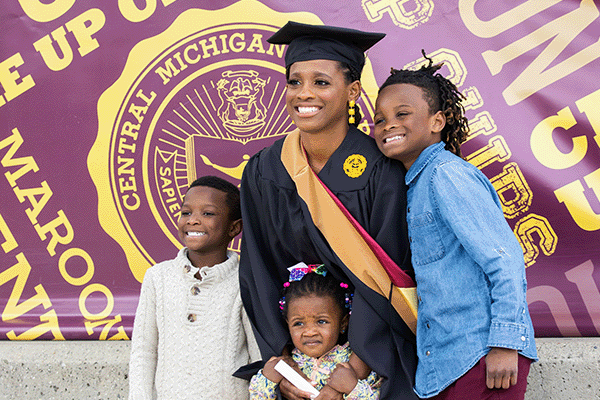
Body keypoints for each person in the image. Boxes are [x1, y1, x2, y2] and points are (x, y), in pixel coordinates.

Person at [239, 21, 418, 400]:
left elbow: (386, 281)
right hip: (297, 357)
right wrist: (286, 364)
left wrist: (352, 370)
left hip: (368, 366)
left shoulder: (380, 171)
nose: (304, 93)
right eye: (294, 81)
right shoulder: (265, 170)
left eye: (321, 82)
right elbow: (259, 270)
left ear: (352, 91)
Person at [372, 55, 538, 399]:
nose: (388, 125)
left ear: (437, 121)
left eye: (402, 114)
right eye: (380, 119)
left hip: (483, 357)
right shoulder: (414, 183)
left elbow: (504, 259)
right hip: (449, 362)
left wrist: (505, 343)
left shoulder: (446, 175)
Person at [128, 176, 261, 400]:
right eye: (186, 212)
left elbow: (259, 358)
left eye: (207, 213)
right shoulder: (157, 278)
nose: (193, 220)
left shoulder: (245, 280)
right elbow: (144, 351)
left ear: (234, 227)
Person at [249, 264, 382, 399]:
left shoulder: (353, 365)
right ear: (288, 325)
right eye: (298, 323)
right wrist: (266, 379)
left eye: (321, 321)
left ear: (343, 323)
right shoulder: (289, 365)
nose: (310, 332)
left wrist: (353, 387)